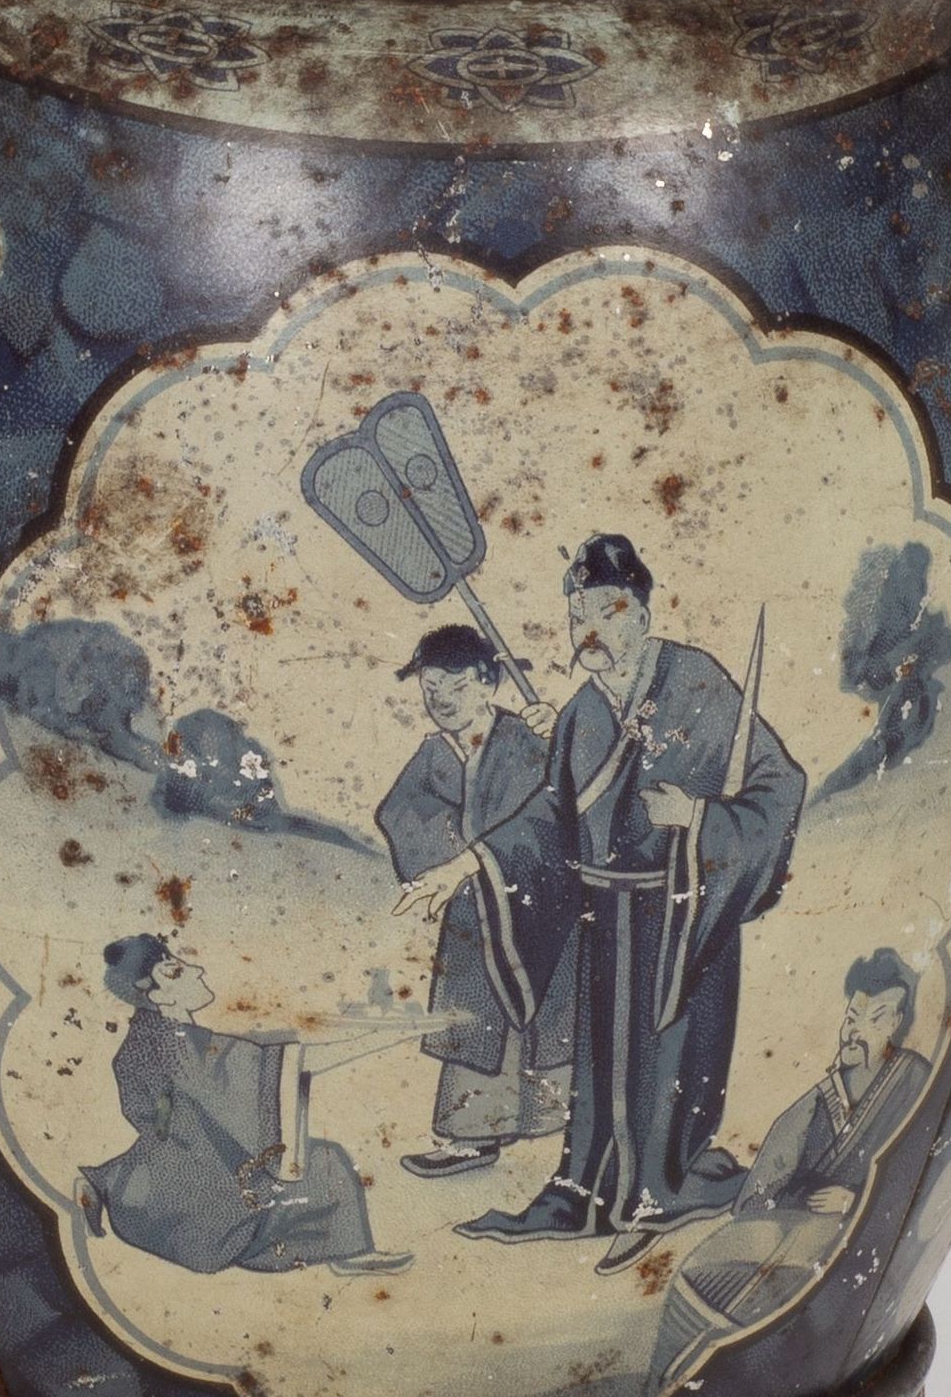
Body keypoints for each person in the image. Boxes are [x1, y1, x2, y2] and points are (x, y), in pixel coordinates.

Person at [398, 534, 806, 1275]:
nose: (586, 628)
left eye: (605, 610)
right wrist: (466, 864)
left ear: (641, 616)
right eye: (576, 614)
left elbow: (780, 786)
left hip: (683, 914)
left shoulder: (695, 682)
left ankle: (661, 1190)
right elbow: (546, 819)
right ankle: (589, 1191)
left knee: (669, 1063)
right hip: (606, 921)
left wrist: (699, 818)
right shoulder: (582, 714)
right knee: (605, 1071)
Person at [648, 949, 931, 1390]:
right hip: (795, 1226)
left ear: (896, 1023)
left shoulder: (911, 1081)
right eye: (852, 1016)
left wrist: (855, 1200)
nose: (856, 1031)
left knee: (775, 1300)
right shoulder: (819, 1101)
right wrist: (773, 1209)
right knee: (704, 1267)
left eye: (876, 1019)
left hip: (859, 1238)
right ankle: (669, 1381)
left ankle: (736, 1384)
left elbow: (921, 1172)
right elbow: (764, 1182)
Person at [76, 936, 410, 1276]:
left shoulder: (142, 1041)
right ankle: (346, 1254)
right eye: (175, 969)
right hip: (198, 1210)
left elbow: (145, 1115)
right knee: (327, 1164)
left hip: (152, 1193)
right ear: (159, 995)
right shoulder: (179, 1045)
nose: (197, 969)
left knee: (182, 1151)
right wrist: (385, 1037)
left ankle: (106, 1182)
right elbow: (265, 1068)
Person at [374, 625, 569, 1179]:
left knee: (545, 1018)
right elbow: (399, 813)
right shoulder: (434, 753)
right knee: (475, 1017)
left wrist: (563, 738)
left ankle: (554, 1127)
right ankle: (470, 1136)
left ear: (488, 683)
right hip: (472, 909)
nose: (441, 700)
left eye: (455, 686)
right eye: (430, 688)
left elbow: (557, 816)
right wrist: (455, 854)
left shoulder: (528, 742)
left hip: (537, 905)